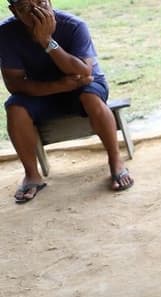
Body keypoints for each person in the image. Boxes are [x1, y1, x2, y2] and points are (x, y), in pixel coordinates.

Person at [0, 0, 133, 203]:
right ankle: (32, 175)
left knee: (91, 98)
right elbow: (15, 84)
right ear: (14, 12)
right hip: (45, 90)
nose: (37, 11)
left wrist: (47, 41)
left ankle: (116, 162)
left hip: (83, 86)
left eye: (40, 2)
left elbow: (83, 72)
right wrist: (60, 86)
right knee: (15, 108)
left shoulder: (73, 25)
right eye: (26, 8)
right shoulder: (6, 34)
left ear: (50, 1)